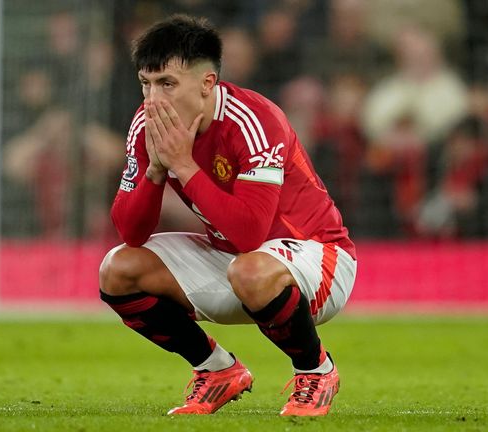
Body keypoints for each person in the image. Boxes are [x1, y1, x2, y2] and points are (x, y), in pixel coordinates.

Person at [98, 15, 357, 417]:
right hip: (235, 260)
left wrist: (183, 166)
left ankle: (315, 371)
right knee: (117, 268)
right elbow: (131, 230)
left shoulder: (254, 120)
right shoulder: (146, 125)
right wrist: (154, 171)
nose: (153, 99)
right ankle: (216, 369)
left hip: (317, 260)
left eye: (167, 83)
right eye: (146, 83)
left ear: (207, 84)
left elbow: (250, 231)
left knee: (251, 269)